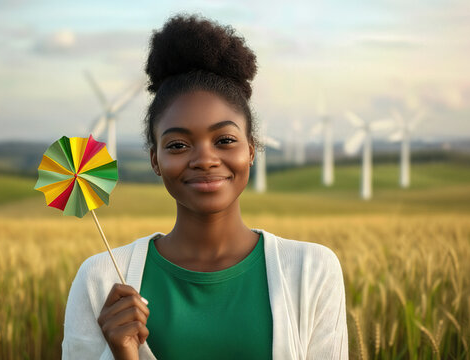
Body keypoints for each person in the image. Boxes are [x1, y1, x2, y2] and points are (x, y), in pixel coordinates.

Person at [62, 14, 348, 360]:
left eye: (225, 140)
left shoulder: (312, 270)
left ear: (252, 150)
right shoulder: (101, 279)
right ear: (155, 160)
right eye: (178, 145)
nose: (205, 159)